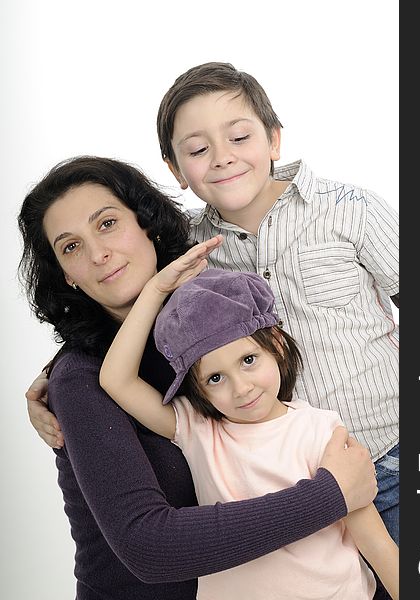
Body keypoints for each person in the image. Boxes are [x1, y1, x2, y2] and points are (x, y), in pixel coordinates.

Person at [27, 61, 399, 541]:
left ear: (274, 140)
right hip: (288, 482)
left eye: (239, 138)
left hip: (390, 449)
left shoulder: (352, 211)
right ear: (176, 170)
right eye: (199, 150)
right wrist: (53, 373)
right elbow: (126, 310)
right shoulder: (192, 252)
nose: (222, 158)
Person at [18, 156, 377, 600]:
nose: (97, 254)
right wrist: (331, 495)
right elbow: (149, 547)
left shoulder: (213, 332)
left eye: (107, 223)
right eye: (70, 247)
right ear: (65, 277)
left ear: (147, 223)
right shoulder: (80, 379)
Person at [99, 267, 399, 600]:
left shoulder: (320, 430)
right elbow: (115, 379)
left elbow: (376, 543)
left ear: (277, 345)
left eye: (248, 359)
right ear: (198, 390)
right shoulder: (196, 428)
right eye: (215, 378)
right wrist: (154, 290)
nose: (241, 388)